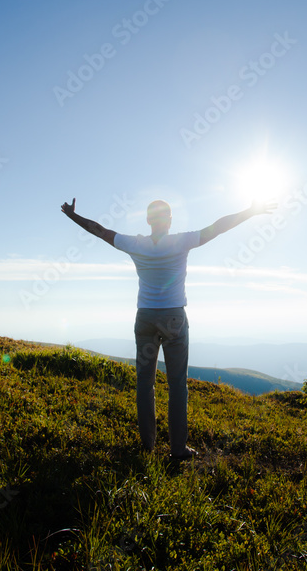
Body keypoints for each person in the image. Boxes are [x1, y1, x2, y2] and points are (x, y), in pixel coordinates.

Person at [61, 196, 276, 460]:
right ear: (170, 221)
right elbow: (218, 227)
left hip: (145, 318)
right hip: (174, 318)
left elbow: (99, 230)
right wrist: (250, 212)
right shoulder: (181, 241)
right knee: (177, 385)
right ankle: (178, 449)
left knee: (144, 383)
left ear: (148, 220)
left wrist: (73, 216)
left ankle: (147, 445)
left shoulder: (135, 243)